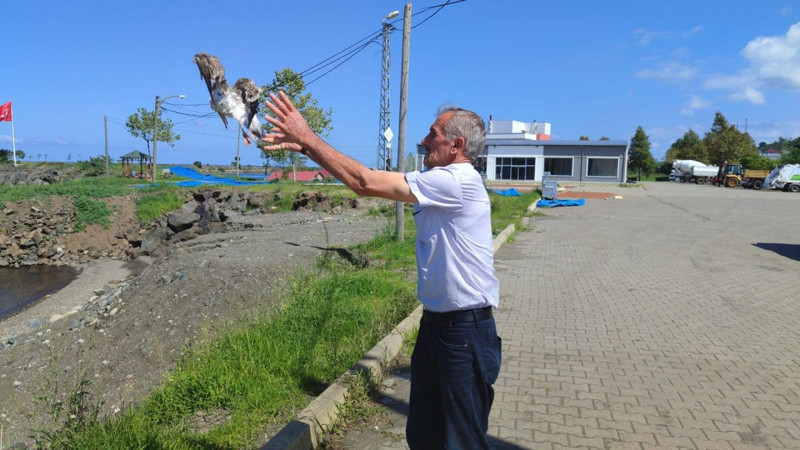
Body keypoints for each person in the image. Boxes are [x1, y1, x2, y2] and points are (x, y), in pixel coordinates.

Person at [262, 92, 501, 449]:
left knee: (461, 441)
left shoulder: (457, 180)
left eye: (433, 133)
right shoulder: (439, 181)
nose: (424, 140)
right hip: (437, 327)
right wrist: (305, 149)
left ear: (457, 145)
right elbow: (362, 180)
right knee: (424, 435)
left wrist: (308, 135)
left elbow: (365, 182)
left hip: (464, 334)